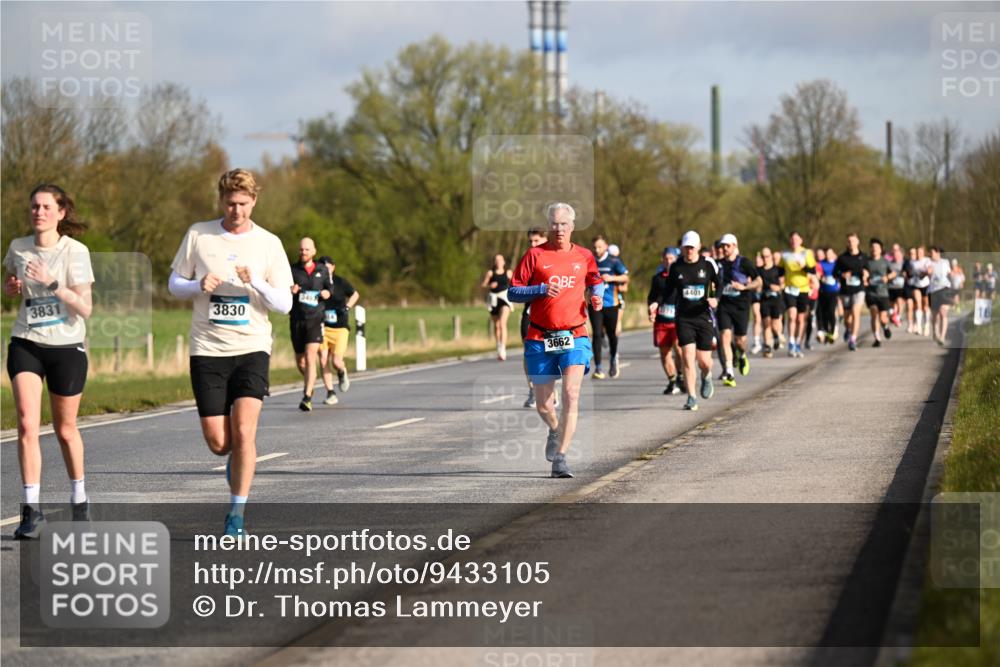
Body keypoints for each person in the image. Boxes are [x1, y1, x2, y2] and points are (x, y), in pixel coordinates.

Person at [168, 169, 293, 536]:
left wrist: (255, 281)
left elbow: (284, 303)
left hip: (252, 348)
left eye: (242, 203)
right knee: (220, 442)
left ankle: (236, 514)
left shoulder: (269, 243)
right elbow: (174, 283)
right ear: (221, 200)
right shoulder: (199, 234)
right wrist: (195, 285)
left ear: (254, 201)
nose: (236, 210)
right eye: (230, 203)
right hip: (207, 349)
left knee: (244, 432)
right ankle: (234, 459)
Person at [4, 184, 95, 538]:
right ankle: (31, 510)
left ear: (60, 213)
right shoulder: (18, 247)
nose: (38, 212)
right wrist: (10, 287)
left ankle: (79, 498)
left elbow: (85, 308)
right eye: (34, 207)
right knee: (27, 425)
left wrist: (52, 281)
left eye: (46, 207)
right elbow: (10, 281)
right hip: (26, 341)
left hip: (66, 346)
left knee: (65, 429)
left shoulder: (76, 251)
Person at [508, 203, 603, 478]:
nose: (558, 229)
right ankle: (554, 429)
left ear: (572, 226)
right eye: (554, 224)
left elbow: (596, 280)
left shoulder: (584, 255)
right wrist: (540, 289)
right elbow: (513, 291)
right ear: (548, 226)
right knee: (544, 405)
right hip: (540, 336)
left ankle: (561, 457)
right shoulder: (535, 255)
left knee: (572, 394)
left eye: (563, 224)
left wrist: (596, 295)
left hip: (574, 334)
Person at [666, 231, 722, 411]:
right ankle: (691, 397)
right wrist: (655, 304)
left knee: (704, 361)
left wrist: (716, 299)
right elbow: (668, 291)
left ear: (698, 247)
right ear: (682, 248)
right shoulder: (676, 267)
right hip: (684, 318)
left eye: (692, 247)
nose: (689, 251)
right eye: (686, 247)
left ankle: (706, 376)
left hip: (703, 316)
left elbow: (719, 283)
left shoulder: (708, 265)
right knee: (688, 358)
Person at [290, 237, 333, 411]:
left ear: (314, 251)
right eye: (301, 250)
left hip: (316, 319)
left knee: (310, 357)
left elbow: (330, 290)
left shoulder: (322, 270)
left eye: (307, 249)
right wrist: (290, 290)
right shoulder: (292, 270)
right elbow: (283, 290)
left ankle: (307, 396)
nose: (303, 252)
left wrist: (325, 293)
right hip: (297, 319)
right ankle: (311, 381)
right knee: (301, 362)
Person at [716, 234, 760, 387]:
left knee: (740, 340)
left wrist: (745, 287)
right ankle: (729, 371)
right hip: (724, 305)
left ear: (735, 245)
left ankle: (741, 354)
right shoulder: (719, 264)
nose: (725, 249)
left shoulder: (745, 263)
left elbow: (758, 281)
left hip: (741, 305)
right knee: (725, 336)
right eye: (723, 246)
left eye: (727, 246)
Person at [318, 256, 358, 405]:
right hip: (322, 326)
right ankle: (330, 392)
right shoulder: (317, 283)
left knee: (336, 361)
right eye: (322, 268)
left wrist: (347, 307)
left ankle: (342, 372)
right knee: (323, 360)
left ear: (333, 267)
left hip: (340, 327)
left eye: (327, 267)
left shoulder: (341, 282)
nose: (325, 271)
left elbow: (355, 294)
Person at [588, 235, 629, 379]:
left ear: (606, 246)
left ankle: (613, 359)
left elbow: (625, 277)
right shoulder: (589, 261)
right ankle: (598, 367)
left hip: (611, 304)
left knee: (612, 334)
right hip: (594, 304)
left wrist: (611, 278)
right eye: (595, 247)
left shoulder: (613, 261)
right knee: (597, 334)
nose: (597, 250)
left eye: (600, 247)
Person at [647, 246, 683, 395]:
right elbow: (651, 298)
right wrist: (650, 312)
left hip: (677, 320)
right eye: (666, 259)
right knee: (664, 353)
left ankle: (681, 376)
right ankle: (672, 381)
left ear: (676, 259)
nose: (668, 261)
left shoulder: (682, 276)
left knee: (679, 350)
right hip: (662, 320)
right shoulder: (658, 278)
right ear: (662, 260)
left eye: (671, 259)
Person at [520, 227, 548, 408]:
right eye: (530, 241)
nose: (532, 244)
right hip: (530, 312)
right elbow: (516, 288)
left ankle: (551, 390)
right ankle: (532, 389)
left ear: (545, 240)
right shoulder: (527, 260)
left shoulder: (554, 258)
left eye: (536, 241)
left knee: (552, 351)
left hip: (551, 314)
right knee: (528, 351)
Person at [777, 231, 817, 358]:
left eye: (796, 239)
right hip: (789, 289)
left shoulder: (807, 253)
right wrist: (779, 280)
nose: (794, 241)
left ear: (801, 240)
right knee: (791, 315)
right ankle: (791, 342)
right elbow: (780, 270)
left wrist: (804, 266)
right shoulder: (785, 254)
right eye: (792, 239)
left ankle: (799, 342)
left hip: (803, 289)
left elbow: (813, 270)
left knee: (801, 318)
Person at [834, 232, 867, 352]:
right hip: (846, 290)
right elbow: (835, 273)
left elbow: (867, 270)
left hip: (859, 289)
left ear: (857, 242)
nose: (851, 243)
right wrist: (842, 274)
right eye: (849, 241)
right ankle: (848, 329)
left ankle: (853, 339)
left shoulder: (863, 257)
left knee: (856, 312)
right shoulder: (842, 258)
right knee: (848, 318)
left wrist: (866, 274)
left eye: (853, 241)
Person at [864, 238, 896, 348]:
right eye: (872, 247)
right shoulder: (866, 261)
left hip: (883, 293)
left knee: (883, 317)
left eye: (876, 247)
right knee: (873, 313)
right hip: (870, 293)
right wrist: (864, 277)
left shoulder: (885, 261)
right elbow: (863, 273)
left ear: (880, 249)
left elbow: (894, 273)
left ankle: (885, 327)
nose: (874, 249)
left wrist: (887, 277)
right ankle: (877, 338)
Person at [482, 254, 513, 361]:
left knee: (502, 323)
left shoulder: (508, 273)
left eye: (500, 260)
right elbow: (483, 285)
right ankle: (498, 345)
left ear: (504, 262)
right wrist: (490, 286)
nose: (498, 262)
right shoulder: (490, 273)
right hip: (494, 299)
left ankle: (503, 349)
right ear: (494, 262)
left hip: (504, 298)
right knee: (497, 325)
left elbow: (515, 283)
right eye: (496, 260)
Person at [757, 247, 785, 358]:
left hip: (776, 299)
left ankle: (776, 336)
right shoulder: (758, 270)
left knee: (774, 325)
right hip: (764, 299)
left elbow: (783, 282)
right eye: (763, 256)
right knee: (766, 323)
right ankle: (767, 346)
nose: (765, 259)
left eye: (767, 256)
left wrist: (778, 287)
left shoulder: (777, 269)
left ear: (771, 256)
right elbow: (756, 282)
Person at [926, 246, 953, 345]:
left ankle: (942, 336)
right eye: (929, 253)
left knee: (943, 312)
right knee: (935, 316)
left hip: (945, 289)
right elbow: (924, 274)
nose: (930, 255)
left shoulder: (945, 262)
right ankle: (935, 332)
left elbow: (950, 274)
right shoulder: (928, 262)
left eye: (932, 253)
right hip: (933, 291)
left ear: (938, 253)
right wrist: (926, 272)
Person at [816, 247, 839, 344]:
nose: (828, 255)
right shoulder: (820, 263)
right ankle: (824, 330)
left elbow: (840, 274)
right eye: (827, 253)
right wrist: (819, 277)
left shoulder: (837, 264)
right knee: (821, 312)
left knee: (831, 311)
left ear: (834, 254)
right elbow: (817, 273)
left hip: (834, 292)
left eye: (830, 253)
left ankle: (832, 330)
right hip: (822, 291)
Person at [887, 244, 908, 328]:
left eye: (898, 254)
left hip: (901, 287)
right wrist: (890, 275)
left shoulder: (905, 263)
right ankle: (895, 317)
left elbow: (909, 272)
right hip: (891, 287)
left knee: (900, 302)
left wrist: (905, 274)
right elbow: (886, 274)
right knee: (892, 306)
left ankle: (898, 317)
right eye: (895, 255)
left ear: (901, 255)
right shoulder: (889, 264)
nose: (896, 256)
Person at [750, 252, 764, 355]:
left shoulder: (766, 270)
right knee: (756, 316)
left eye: (759, 260)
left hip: (766, 297)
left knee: (766, 320)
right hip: (755, 296)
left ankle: (768, 339)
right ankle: (756, 342)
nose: (757, 262)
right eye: (756, 260)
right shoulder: (753, 270)